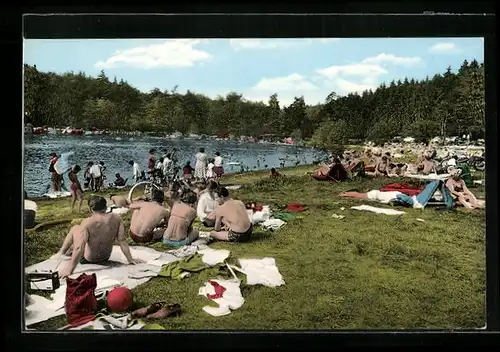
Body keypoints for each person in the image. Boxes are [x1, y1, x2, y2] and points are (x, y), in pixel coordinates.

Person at [54, 195, 144, 279]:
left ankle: (61, 253)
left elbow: (79, 248)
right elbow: (122, 240)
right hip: (105, 257)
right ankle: (67, 252)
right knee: (82, 236)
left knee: (75, 228)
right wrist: (130, 259)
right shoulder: (117, 218)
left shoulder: (87, 222)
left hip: (89, 259)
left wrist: (70, 270)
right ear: (105, 207)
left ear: (90, 209)